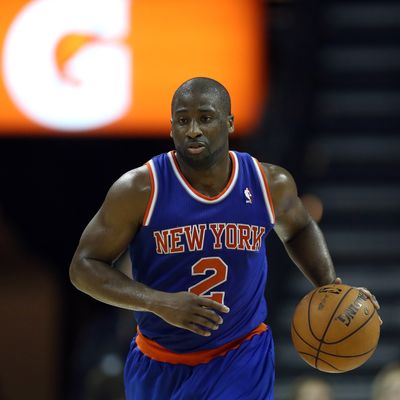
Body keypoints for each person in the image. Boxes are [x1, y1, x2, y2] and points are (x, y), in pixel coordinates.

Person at [69, 77, 381, 400]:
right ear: (171, 127)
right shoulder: (140, 190)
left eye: (205, 118)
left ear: (229, 123)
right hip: (159, 363)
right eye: (182, 120)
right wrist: (158, 302)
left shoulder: (267, 183)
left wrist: (330, 285)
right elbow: (83, 266)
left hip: (241, 356)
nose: (193, 130)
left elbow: (300, 228)